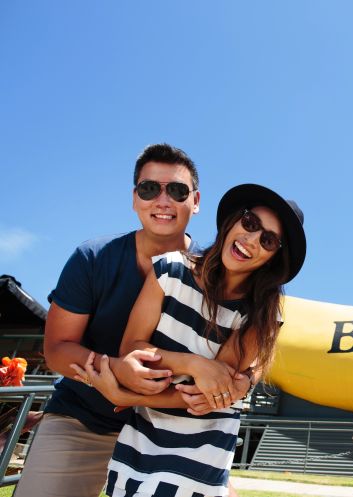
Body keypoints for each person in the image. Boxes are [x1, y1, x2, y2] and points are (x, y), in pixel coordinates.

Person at [14, 144, 253, 497]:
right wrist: (114, 372)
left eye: (177, 190)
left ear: (196, 200)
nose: (162, 200)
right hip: (85, 420)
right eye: (148, 188)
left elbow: (255, 334)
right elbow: (58, 349)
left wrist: (246, 379)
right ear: (134, 197)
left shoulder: (218, 274)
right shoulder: (93, 258)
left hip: (173, 431)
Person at [72, 183, 307, 497]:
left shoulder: (261, 315)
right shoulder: (170, 270)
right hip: (143, 439)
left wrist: (128, 397)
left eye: (267, 240)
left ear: (274, 257)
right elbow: (132, 348)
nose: (251, 240)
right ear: (235, 220)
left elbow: (206, 396)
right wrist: (192, 363)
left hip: (204, 449)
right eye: (250, 223)